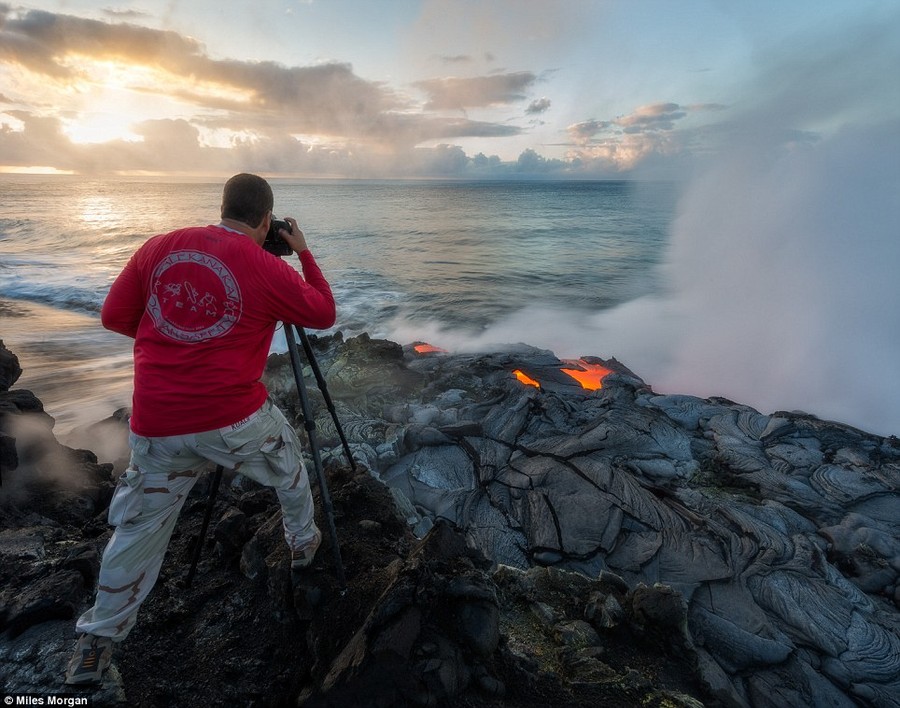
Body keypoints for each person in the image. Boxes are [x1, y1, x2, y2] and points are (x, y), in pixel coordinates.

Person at [64, 173, 336, 686]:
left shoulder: (159, 247)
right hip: (235, 422)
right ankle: (303, 545)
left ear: (224, 206)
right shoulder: (264, 266)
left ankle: (95, 644)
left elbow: (114, 316)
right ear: (265, 221)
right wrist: (303, 255)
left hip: (156, 425)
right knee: (290, 463)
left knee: (138, 529)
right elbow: (322, 312)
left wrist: (176, 336)